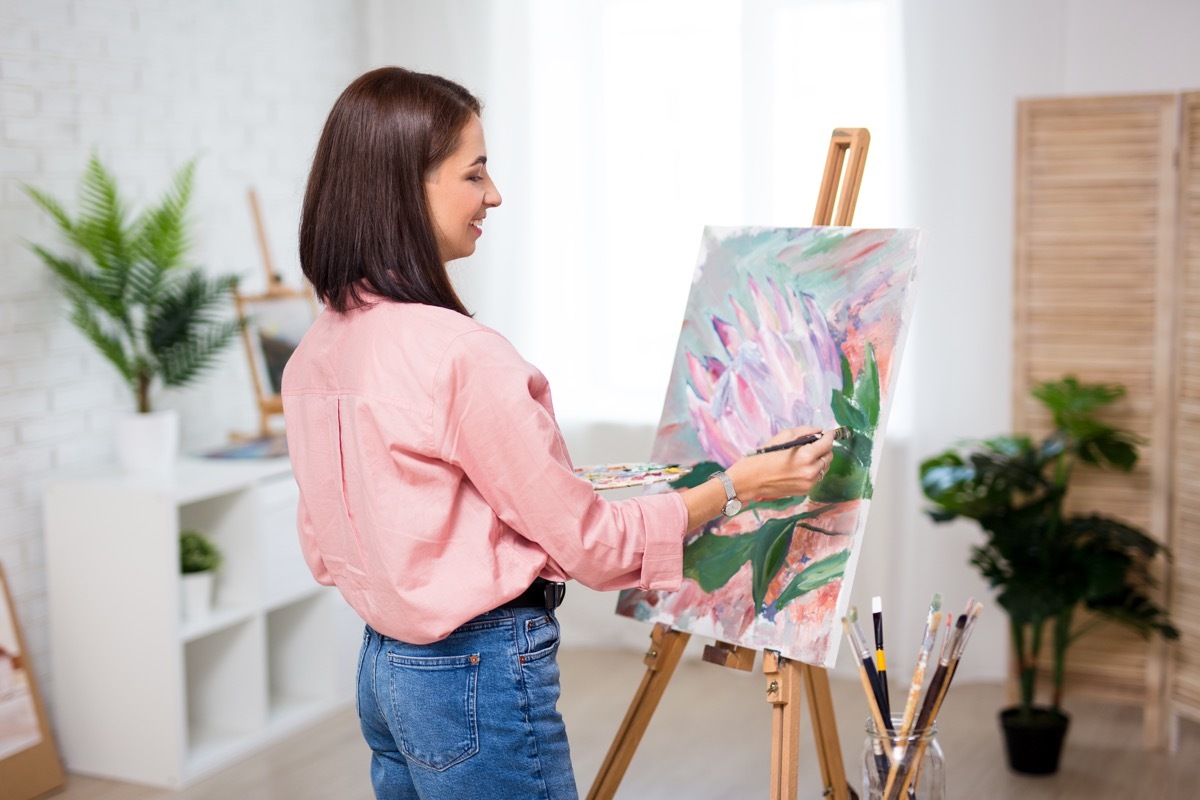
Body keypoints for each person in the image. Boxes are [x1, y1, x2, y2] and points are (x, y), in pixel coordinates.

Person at [283, 66, 836, 800]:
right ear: (403, 188)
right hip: (472, 674)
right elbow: (593, 547)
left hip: (386, 672)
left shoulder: (314, 353)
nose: (495, 195)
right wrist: (737, 489)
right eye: (474, 173)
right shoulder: (461, 356)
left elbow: (338, 538)